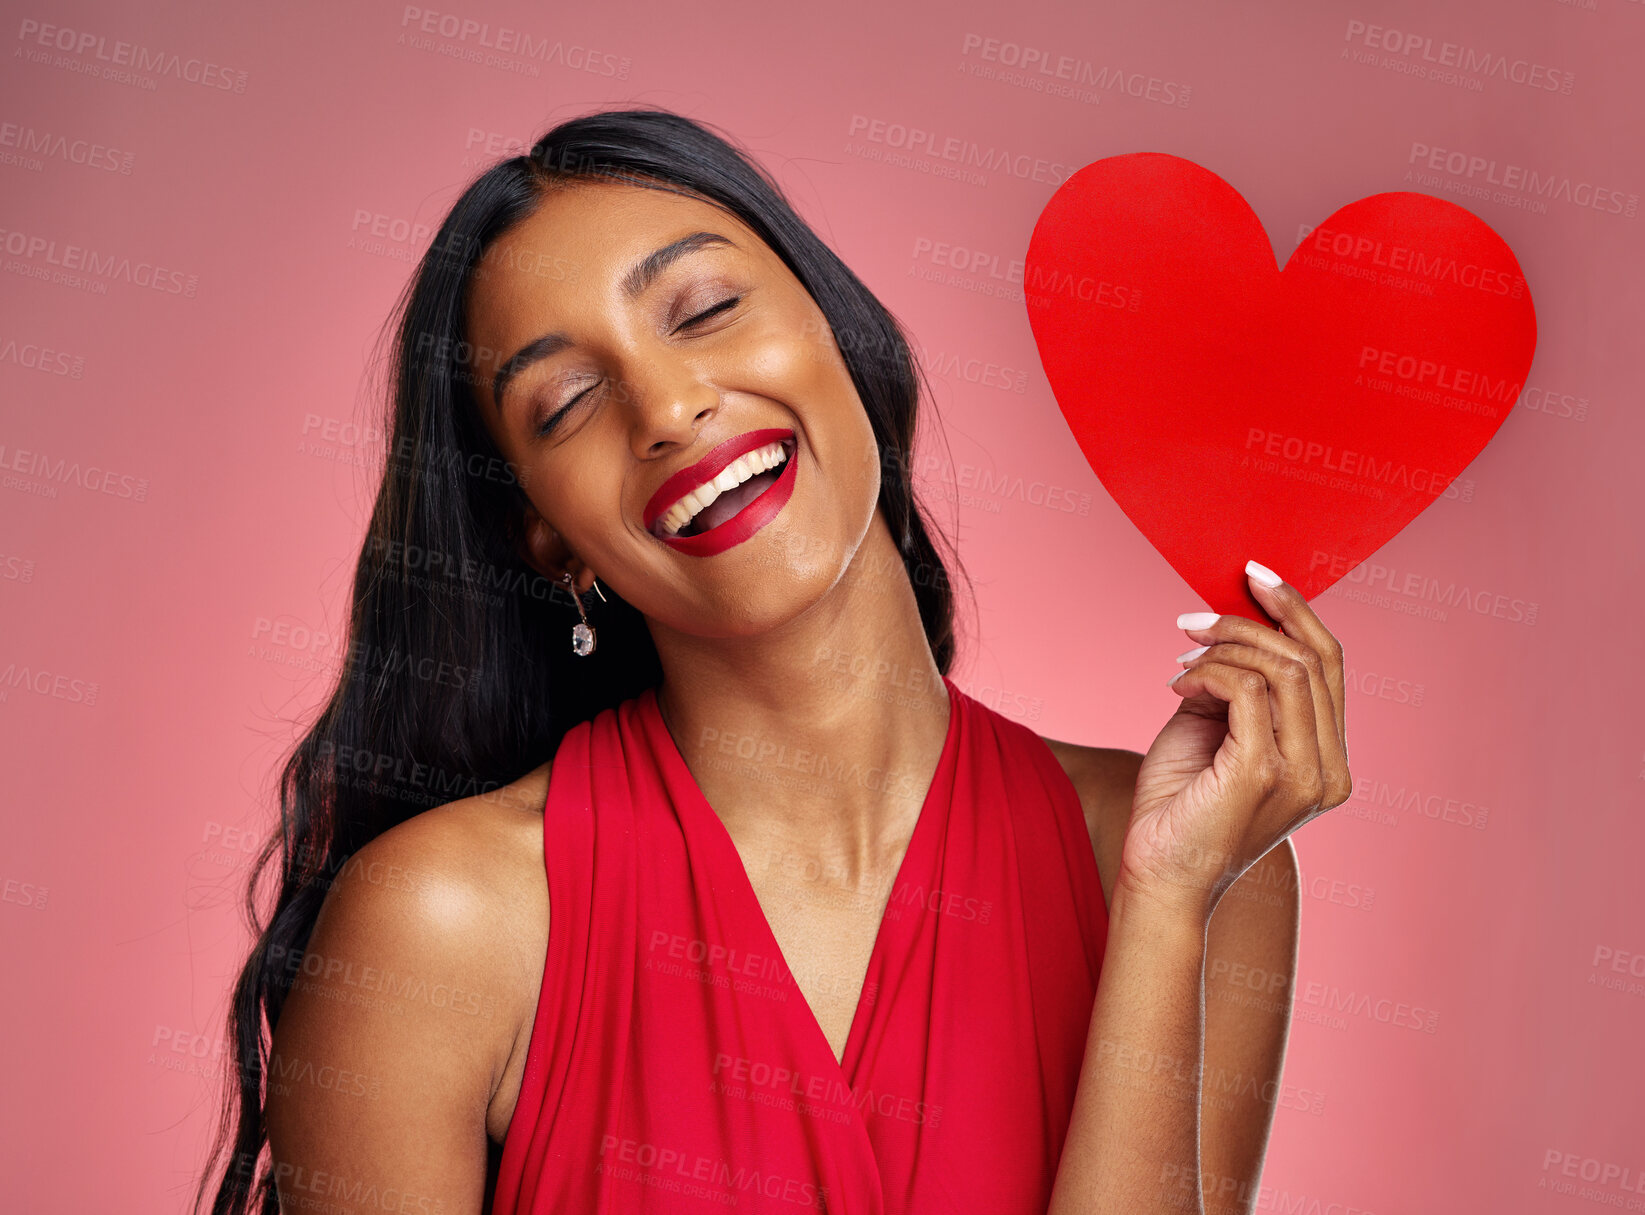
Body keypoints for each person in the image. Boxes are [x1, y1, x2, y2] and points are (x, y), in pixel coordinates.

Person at [196, 108, 1350, 1215]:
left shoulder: (1199, 873)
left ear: (838, 329)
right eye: (568, 401)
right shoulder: (443, 925)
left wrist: (1161, 904)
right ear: (542, 535)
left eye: (700, 309)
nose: (667, 406)